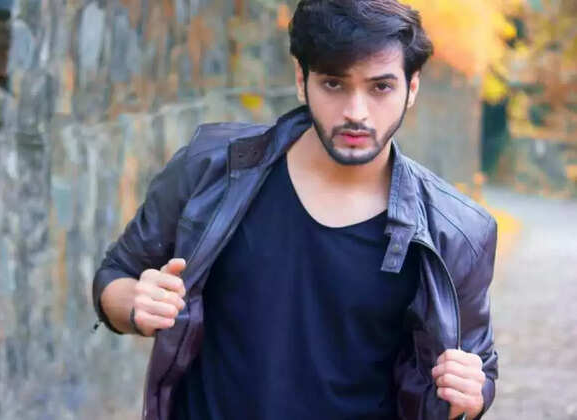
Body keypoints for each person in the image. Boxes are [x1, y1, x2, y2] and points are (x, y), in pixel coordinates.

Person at [92, 1, 498, 419]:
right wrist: (135, 304)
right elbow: (115, 277)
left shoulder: (457, 232)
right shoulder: (211, 169)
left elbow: (477, 371)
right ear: (302, 81)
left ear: (412, 88)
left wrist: (471, 396)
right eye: (334, 84)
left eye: (380, 87)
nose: (356, 112)